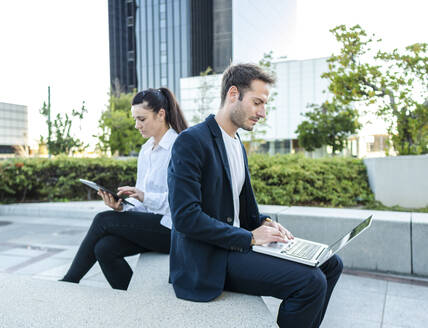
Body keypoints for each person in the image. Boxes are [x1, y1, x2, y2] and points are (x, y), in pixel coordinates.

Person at [167, 63, 343, 327]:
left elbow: (242, 210)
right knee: (310, 282)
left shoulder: (237, 142)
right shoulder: (192, 141)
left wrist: (266, 224)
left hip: (236, 245)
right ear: (233, 94)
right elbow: (185, 218)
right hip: (208, 259)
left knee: (332, 263)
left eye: (265, 104)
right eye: (257, 102)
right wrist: (249, 237)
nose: (263, 113)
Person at [61, 87, 188, 290]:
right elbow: (143, 207)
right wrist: (122, 208)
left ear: (161, 114)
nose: (137, 125)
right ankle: (132, 299)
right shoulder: (146, 150)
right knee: (104, 249)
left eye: (142, 119)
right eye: (135, 119)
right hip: (152, 225)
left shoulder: (180, 146)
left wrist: (145, 196)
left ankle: (69, 282)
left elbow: (180, 202)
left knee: (102, 219)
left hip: (172, 228)